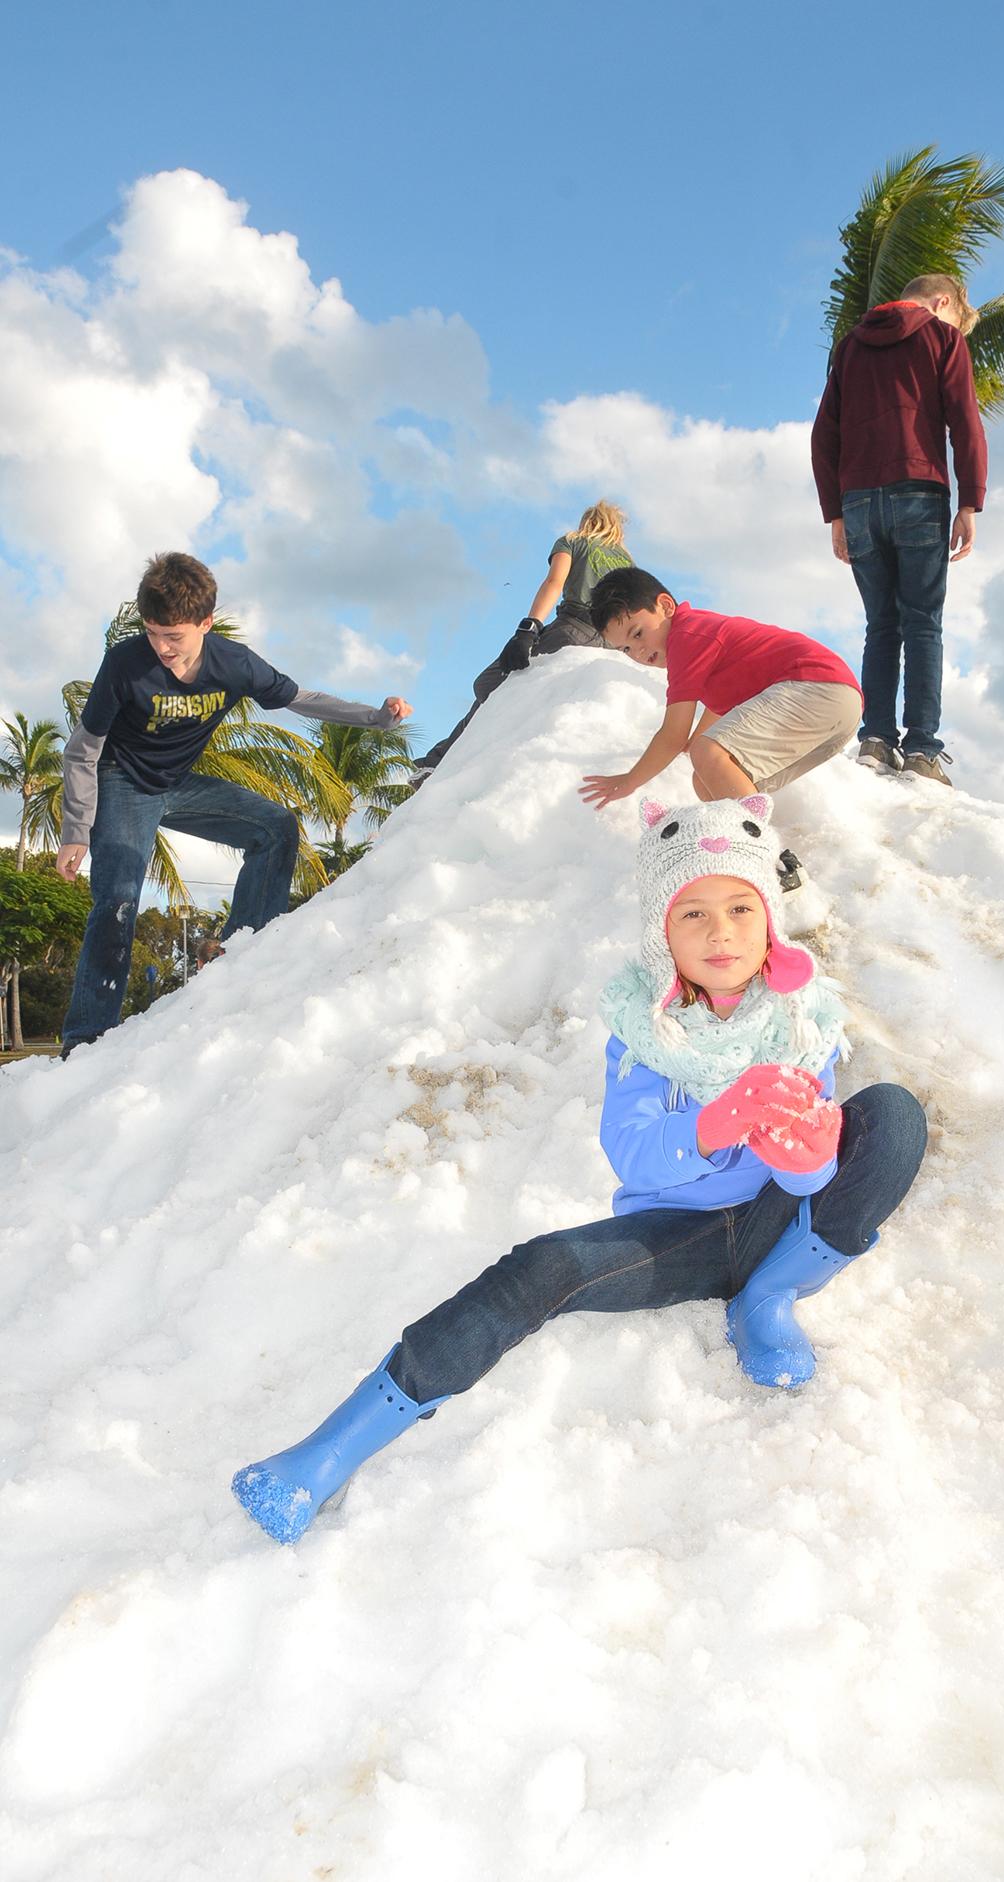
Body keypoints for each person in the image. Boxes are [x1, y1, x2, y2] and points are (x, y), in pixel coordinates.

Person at [231, 794, 927, 1545]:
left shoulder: (803, 1023)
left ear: (769, 922)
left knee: (892, 1116)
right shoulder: (645, 1033)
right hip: (678, 1231)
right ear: (662, 932)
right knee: (540, 1268)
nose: (720, 931)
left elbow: (810, 1179)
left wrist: (808, 1162)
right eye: (692, 912)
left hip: (780, 1221)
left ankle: (769, 1297)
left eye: (739, 908)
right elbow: (630, 1149)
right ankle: (326, 1452)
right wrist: (714, 1122)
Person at [56, 552, 413, 1055]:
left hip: (178, 783)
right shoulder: (125, 664)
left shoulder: (233, 664)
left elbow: (300, 698)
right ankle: (84, 1037)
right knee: (117, 901)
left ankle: (238, 954)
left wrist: (376, 718)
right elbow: (83, 750)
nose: (161, 648)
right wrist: (77, 829)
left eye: (174, 636)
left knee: (275, 828)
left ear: (205, 623)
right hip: (121, 784)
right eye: (153, 633)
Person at [811, 272, 988, 787]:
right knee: (923, 623)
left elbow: (825, 434)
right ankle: (922, 751)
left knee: (880, 625)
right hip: (919, 490)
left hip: (859, 501)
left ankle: (876, 740)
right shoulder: (941, 336)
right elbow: (965, 421)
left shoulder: (849, 347)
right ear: (942, 301)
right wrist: (971, 501)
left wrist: (836, 514)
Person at [577, 568, 861, 823]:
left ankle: (758, 855)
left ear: (665, 606)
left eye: (637, 634)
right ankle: (769, 860)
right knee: (706, 782)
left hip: (817, 685)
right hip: (838, 709)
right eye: (626, 649)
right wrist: (699, 741)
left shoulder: (686, 636)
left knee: (710, 753)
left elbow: (672, 735)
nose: (637, 651)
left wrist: (630, 781)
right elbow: (725, 710)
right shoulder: (698, 643)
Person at [413, 502, 633, 777]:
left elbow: (554, 582)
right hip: (614, 644)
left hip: (573, 629)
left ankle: (438, 763)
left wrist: (529, 629)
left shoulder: (573, 541)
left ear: (587, 521)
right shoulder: (628, 563)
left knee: (488, 684)